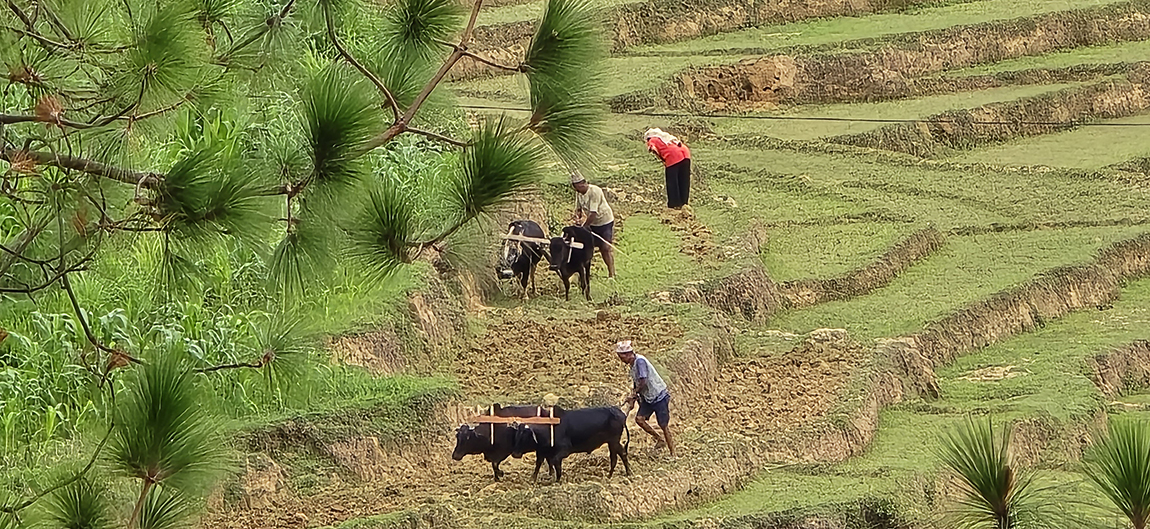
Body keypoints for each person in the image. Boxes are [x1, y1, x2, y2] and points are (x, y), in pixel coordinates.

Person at [615, 340, 676, 457]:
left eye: (622, 357)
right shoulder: (632, 365)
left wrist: (634, 394)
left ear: (628, 354)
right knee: (639, 419)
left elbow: (643, 380)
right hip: (648, 397)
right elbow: (637, 382)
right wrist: (634, 397)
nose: (621, 360)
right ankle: (659, 439)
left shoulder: (640, 361)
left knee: (663, 425)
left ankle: (673, 453)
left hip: (659, 396)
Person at [571, 171, 616, 279]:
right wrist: (578, 217)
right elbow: (578, 209)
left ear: (582, 184)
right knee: (585, 248)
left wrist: (584, 227)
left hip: (604, 221)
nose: (575, 189)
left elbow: (593, 213)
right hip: (592, 223)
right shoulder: (579, 193)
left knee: (605, 248)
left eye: (576, 186)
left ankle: (612, 274)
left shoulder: (594, 191)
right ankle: (584, 273)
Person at [644, 128, 691, 210]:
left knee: (672, 182)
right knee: (683, 180)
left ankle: (674, 205)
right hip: (685, 153)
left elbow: (653, 148)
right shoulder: (666, 137)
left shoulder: (652, 140)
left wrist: (661, 159)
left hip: (673, 156)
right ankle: (684, 204)